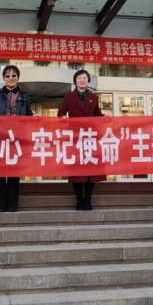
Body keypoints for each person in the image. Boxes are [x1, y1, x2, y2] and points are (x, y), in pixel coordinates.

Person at [58, 69, 105, 211]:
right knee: (76, 171)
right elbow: (61, 112)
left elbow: (98, 115)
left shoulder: (93, 97)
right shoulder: (69, 97)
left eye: (84, 78)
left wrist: (106, 119)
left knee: (91, 169)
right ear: (75, 81)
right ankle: (79, 199)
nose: (82, 80)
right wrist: (63, 118)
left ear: (88, 81)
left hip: (91, 137)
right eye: (79, 78)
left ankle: (88, 200)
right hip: (75, 138)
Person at [0, 65, 33, 212]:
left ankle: (12, 204)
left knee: (14, 170)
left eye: (14, 75)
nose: (11, 78)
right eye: (7, 76)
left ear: (18, 78)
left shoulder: (24, 95)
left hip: (17, 138)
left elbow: (28, 114)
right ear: (4, 78)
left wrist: (34, 117)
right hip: (0, 137)